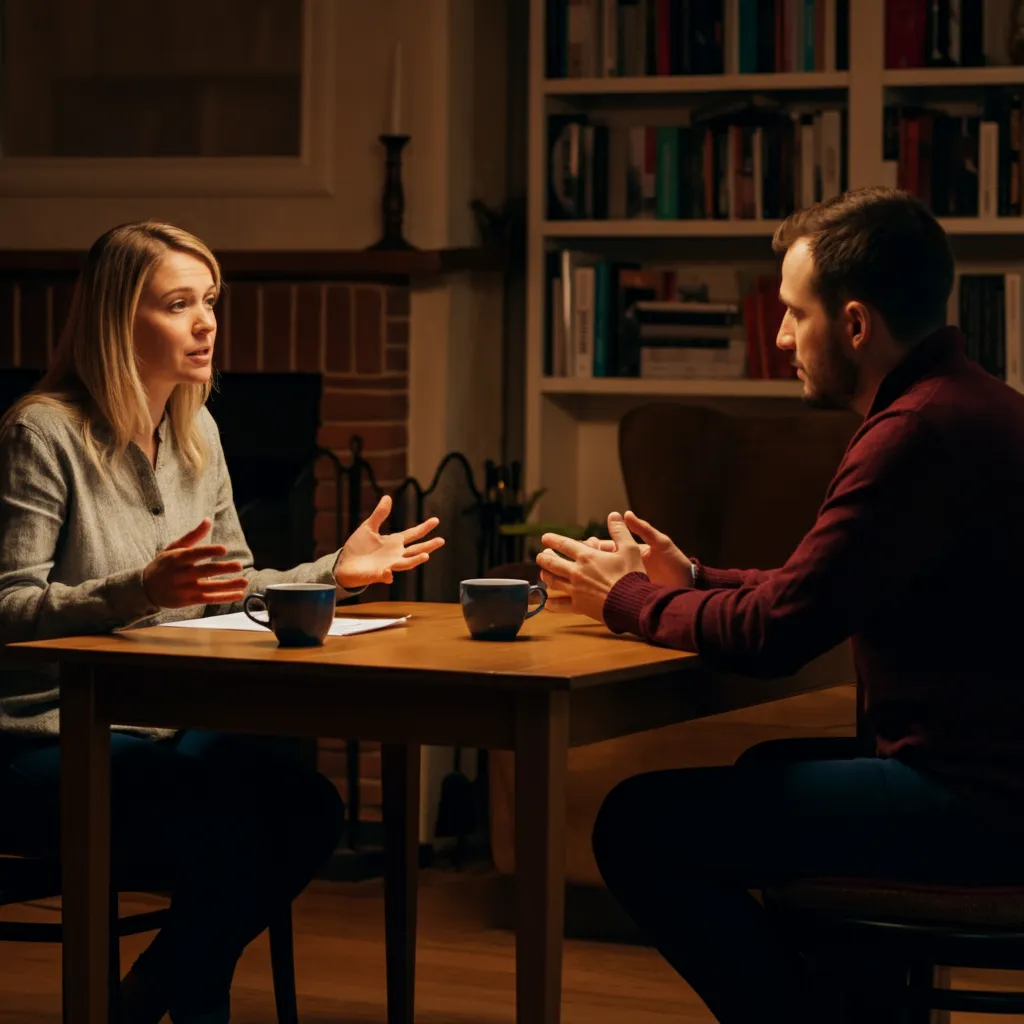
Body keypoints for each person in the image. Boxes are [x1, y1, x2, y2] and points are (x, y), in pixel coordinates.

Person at [535, 187, 1024, 1023]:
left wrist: (627, 601)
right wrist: (688, 580)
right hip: (990, 775)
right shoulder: (970, 402)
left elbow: (775, 635)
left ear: (858, 324)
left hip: (975, 804)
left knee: (636, 825)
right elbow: (813, 585)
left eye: (796, 314)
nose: (783, 337)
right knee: (763, 774)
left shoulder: (913, 436)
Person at [0, 221, 444, 1024]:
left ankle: (156, 988)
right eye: (178, 304)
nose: (206, 322)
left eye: (211, 300)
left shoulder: (197, 431)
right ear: (117, 319)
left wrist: (333, 573)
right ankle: (188, 1000)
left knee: (303, 801)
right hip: (42, 736)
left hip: (158, 728)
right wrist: (135, 589)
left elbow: (233, 587)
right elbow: (8, 609)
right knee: (233, 820)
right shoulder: (43, 432)